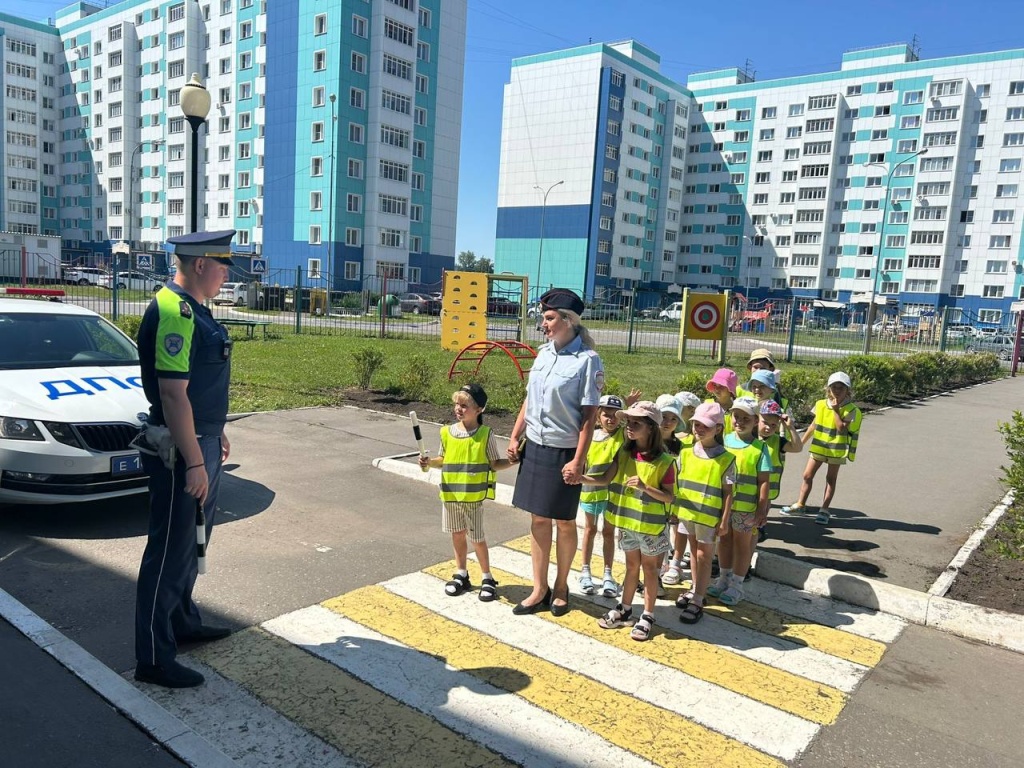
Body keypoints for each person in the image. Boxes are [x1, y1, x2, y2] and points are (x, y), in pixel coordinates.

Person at [134, 230, 236, 689]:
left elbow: (200, 388)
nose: (227, 274)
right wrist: (195, 460)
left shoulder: (196, 312)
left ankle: (182, 621)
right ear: (199, 265)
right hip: (183, 450)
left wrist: (216, 435)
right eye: (223, 265)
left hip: (202, 441)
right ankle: (154, 657)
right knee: (171, 550)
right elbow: (174, 396)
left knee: (194, 543)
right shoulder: (175, 311)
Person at [507, 288, 604, 617]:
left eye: (548, 318)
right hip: (535, 446)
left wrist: (578, 460)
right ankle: (539, 587)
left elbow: (589, 417)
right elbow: (529, 400)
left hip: (565, 451)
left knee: (564, 522)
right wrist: (515, 435)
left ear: (568, 321)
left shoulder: (588, 361)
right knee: (538, 519)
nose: (543, 324)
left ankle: (561, 586)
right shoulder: (543, 354)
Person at [584, 402, 676, 642]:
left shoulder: (665, 461)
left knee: (650, 570)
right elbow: (605, 478)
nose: (629, 427)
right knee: (631, 567)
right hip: (628, 524)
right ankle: (625, 608)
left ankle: (648, 614)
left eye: (637, 423)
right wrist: (580, 479)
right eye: (629, 422)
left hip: (651, 528)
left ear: (651, 428)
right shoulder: (624, 453)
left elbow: (669, 496)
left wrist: (646, 488)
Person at [419, 384, 517, 601]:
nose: (459, 409)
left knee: (477, 538)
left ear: (479, 409)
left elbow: (493, 463)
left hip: (472, 498)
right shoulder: (446, 432)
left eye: (464, 405)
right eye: (457, 404)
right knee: (457, 534)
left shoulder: (485, 434)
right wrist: (429, 462)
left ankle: (487, 577)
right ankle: (461, 573)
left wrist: (512, 462)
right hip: (450, 495)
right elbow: (443, 460)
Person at [675, 403, 735, 624]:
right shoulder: (685, 453)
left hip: (709, 518)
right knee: (693, 552)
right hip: (688, 514)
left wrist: (725, 519)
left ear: (718, 429)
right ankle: (695, 589)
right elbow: (679, 485)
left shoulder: (726, 459)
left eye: (705, 426)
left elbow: (728, 492)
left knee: (704, 556)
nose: (699, 429)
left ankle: (699, 598)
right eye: (696, 424)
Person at [707, 398, 770, 607]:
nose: (740, 422)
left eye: (746, 418)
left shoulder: (760, 448)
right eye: (736, 417)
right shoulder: (723, 441)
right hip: (724, 506)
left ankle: (737, 583)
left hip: (746, 509)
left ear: (755, 421)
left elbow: (763, 481)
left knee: (742, 546)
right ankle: (723, 577)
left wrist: (762, 507)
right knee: (723, 542)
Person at [782, 371, 862, 525]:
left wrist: (836, 410)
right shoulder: (820, 404)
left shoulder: (851, 410)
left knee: (830, 479)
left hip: (836, 451)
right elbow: (814, 425)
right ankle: (800, 504)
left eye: (841, 387)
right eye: (834, 387)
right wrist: (800, 443)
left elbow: (841, 429)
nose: (837, 390)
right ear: (828, 389)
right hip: (818, 447)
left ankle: (824, 510)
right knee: (807, 475)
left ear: (848, 390)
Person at [577, 394, 626, 598]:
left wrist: (629, 405)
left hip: (612, 493)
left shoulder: (622, 436)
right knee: (589, 529)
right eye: (606, 414)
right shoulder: (588, 435)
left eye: (615, 415)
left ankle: (608, 573)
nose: (610, 419)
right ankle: (585, 571)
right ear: (598, 416)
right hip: (589, 492)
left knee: (608, 532)